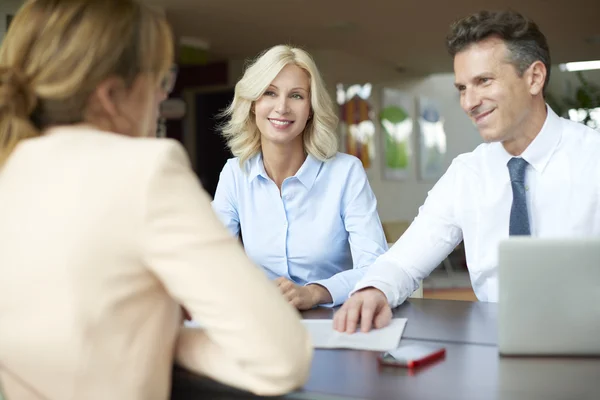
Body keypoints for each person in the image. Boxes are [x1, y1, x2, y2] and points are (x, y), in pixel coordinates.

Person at [0, 1, 312, 399]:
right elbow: (281, 357)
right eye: (161, 79)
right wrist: (169, 341)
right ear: (113, 94)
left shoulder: (10, 165)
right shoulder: (145, 169)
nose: (164, 95)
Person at [333, 9, 600, 333]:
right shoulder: (467, 174)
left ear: (534, 77)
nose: (469, 102)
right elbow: (403, 260)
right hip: (495, 349)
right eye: (461, 88)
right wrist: (375, 288)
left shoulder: (592, 158)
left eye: (483, 81)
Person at [212, 45, 388, 310]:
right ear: (253, 105)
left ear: (311, 110)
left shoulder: (346, 173)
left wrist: (314, 293)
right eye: (270, 93)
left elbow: (376, 268)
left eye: (296, 96)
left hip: (335, 322)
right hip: (264, 321)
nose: (281, 107)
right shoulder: (235, 174)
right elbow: (211, 259)